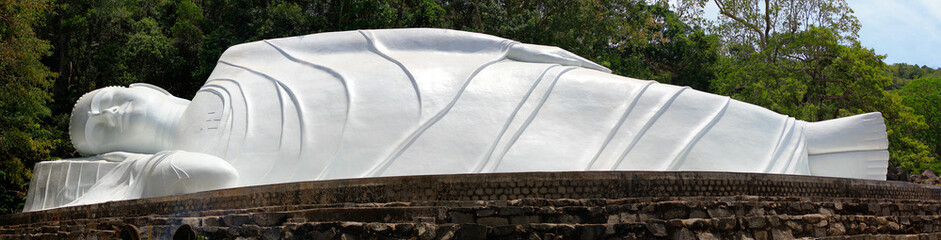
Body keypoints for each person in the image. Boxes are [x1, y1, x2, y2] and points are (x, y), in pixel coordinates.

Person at [25, 28, 889, 211]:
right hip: (421, 149)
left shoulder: (239, 62)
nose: (106, 112)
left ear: (143, 84)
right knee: (581, 148)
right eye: (97, 129)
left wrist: (503, 53)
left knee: (613, 107)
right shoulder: (180, 170)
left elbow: (375, 43)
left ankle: (804, 145)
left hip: (437, 88)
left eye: (104, 99)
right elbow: (205, 190)